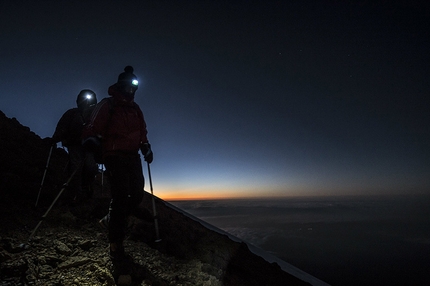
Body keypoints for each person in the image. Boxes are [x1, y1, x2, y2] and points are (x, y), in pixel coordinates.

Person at [82, 66, 154, 265]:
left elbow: (142, 131)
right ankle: (115, 242)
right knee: (121, 194)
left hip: (132, 155)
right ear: (121, 86)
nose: (131, 91)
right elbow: (93, 124)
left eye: (134, 88)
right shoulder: (108, 104)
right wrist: (90, 139)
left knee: (137, 192)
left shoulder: (135, 109)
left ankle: (111, 218)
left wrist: (145, 146)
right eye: (128, 87)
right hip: (113, 155)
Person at [51, 89, 99, 203]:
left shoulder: (95, 116)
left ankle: (85, 188)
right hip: (75, 144)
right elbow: (62, 127)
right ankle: (76, 195)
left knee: (90, 167)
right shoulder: (72, 113)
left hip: (89, 146)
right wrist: (55, 138)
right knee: (76, 169)